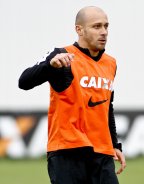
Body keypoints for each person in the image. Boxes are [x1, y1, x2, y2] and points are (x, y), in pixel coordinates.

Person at [18, 6, 126, 184]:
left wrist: (114, 145)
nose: (104, 32)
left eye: (106, 26)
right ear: (79, 29)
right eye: (97, 26)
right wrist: (49, 67)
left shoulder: (110, 63)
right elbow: (23, 82)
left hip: (102, 153)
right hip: (68, 151)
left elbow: (107, 107)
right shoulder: (62, 55)